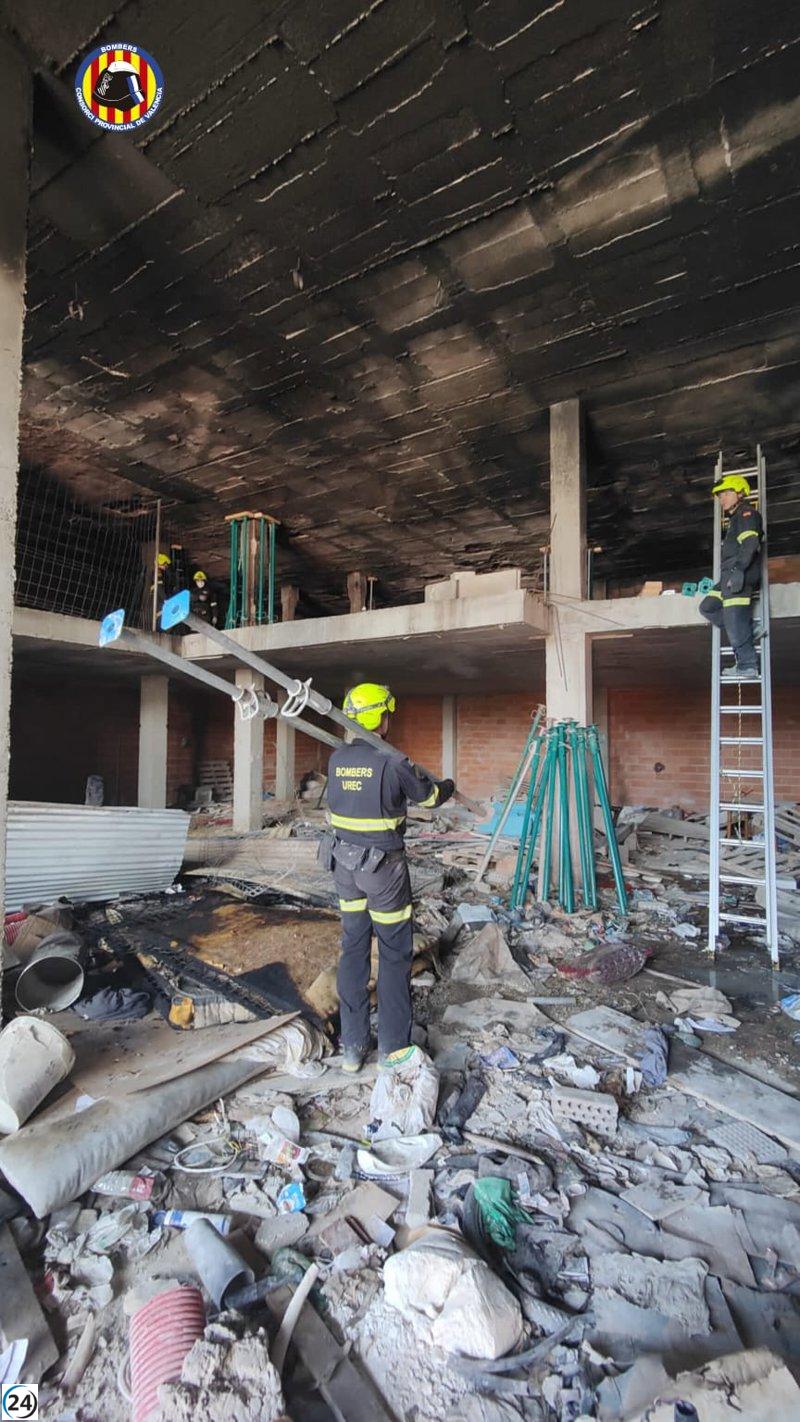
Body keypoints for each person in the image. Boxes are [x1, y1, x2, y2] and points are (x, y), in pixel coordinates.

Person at [324, 682, 454, 1073]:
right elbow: (429, 798)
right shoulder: (393, 760)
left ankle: (353, 1047)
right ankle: (393, 1050)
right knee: (395, 956)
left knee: (353, 951)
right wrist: (448, 785)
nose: (389, 719)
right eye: (387, 713)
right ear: (378, 717)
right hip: (384, 871)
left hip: (345, 868)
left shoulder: (336, 759)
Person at [699, 473, 763, 680]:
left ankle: (747, 665)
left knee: (734, 623)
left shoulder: (747, 514)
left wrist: (739, 572)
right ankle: (751, 628)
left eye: (726, 493)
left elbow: (750, 544)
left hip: (739, 575)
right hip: (729, 575)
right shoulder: (735, 518)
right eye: (719, 496)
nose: (722, 499)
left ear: (739, 493)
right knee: (707, 606)